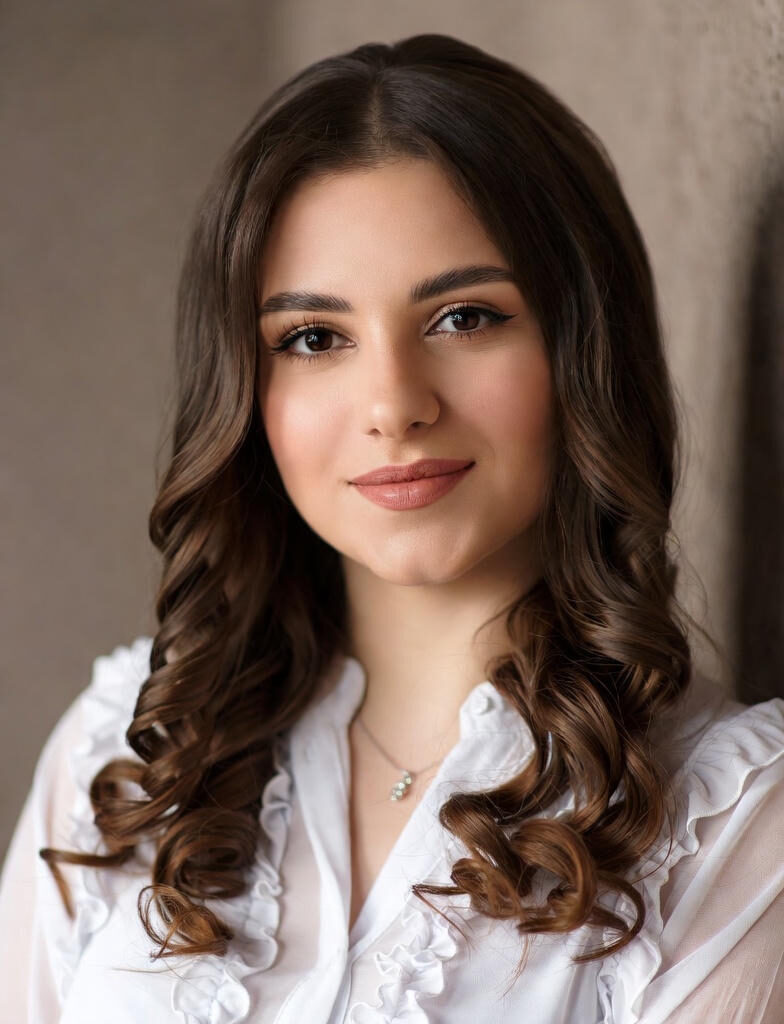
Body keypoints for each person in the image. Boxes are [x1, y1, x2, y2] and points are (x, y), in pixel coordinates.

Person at [1, 32, 783, 1024]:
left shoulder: (733, 828)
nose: (393, 403)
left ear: (581, 346)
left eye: (462, 317)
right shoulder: (122, 759)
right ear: (248, 394)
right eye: (314, 338)